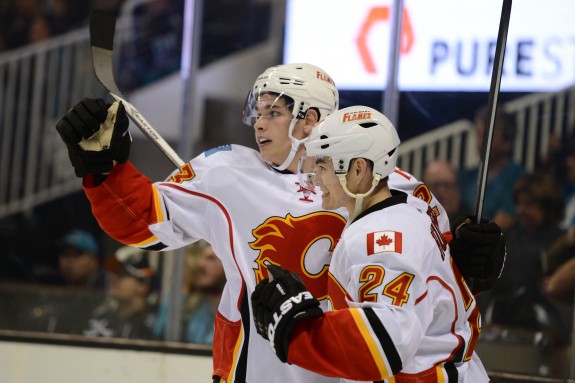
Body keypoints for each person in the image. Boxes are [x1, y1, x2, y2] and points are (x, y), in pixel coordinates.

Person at [55, 63, 504, 383]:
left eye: (273, 112)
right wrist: (104, 169)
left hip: (352, 364)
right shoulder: (227, 173)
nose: (258, 124)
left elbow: (429, 285)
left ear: (310, 119)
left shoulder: (389, 190)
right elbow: (144, 225)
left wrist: (469, 268)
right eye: (258, 112)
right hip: (261, 367)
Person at [251, 105, 489, 381]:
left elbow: (387, 342)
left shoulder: (381, 237)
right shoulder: (411, 208)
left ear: (358, 169)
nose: (315, 178)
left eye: (323, 165)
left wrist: (296, 332)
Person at [459, 106, 526, 232]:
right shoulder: (467, 176)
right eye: (478, 135)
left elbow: (500, 224)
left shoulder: (519, 179)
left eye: (486, 136)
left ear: (508, 142)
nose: (480, 142)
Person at [154, 240, 226, 343]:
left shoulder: (240, 310)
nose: (201, 264)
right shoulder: (190, 305)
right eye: (202, 257)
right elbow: (160, 336)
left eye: (211, 259)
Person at [83, 245, 158, 339]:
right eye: (115, 274)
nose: (114, 279)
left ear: (143, 286)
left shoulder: (156, 326)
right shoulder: (98, 320)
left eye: (123, 274)